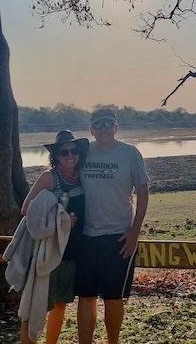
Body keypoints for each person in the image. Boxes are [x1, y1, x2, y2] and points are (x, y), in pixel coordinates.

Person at [77, 108, 149, 344]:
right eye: (98, 125)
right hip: (86, 236)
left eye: (108, 124)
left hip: (119, 237)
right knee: (86, 297)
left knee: (112, 298)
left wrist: (134, 232)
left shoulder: (130, 153)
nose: (103, 128)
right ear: (91, 130)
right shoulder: (84, 152)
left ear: (116, 128)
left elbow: (142, 191)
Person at [18, 130, 90, 344]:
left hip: (72, 252)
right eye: (64, 151)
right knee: (36, 303)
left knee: (60, 304)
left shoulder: (82, 176)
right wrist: (62, 219)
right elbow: (26, 210)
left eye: (74, 150)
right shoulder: (48, 177)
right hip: (48, 251)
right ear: (56, 155)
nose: (70, 155)